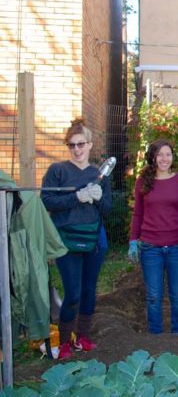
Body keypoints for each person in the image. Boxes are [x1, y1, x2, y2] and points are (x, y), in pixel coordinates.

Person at [41, 118, 112, 360]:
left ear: (90, 144)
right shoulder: (57, 171)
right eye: (72, 145)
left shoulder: (98, 174)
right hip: (66, 240)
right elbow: (46, 200)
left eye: (81, 144)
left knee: (89, 290)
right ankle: (63, 343)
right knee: (72, 292)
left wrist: (98, 197)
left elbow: (108, 209)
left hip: (93, 240)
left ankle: (82, 337)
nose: (77, 150)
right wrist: (77, 197)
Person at [128, 139, 178, 335]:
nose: (164, 158)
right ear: (153, 157)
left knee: (177, 295)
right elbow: (138, 214)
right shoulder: (143, 182)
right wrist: (133, 240)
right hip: (151, 247)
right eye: (160, 155)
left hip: (176, 245)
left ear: (173, 157)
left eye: (168, 154)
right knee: (153, 296)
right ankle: (155, 336)